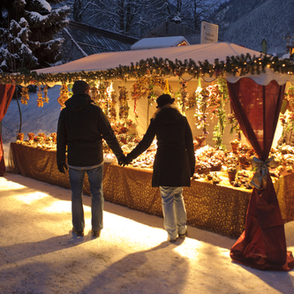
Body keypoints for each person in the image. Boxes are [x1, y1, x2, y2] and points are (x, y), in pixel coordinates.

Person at [57, 80, 125, 238]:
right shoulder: (95, 111)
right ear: (87, 92)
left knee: (76, 194)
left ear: (73, 92)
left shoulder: (65, 113)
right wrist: (120, 155)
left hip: (75, 160)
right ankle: (96, 228)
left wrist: (60, 159)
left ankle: (78, 228)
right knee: (97, 193)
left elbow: (61, 138)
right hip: (94, 158)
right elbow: (109, 134)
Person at [123, 94, 195, 242]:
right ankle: (182, 230)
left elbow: (145, 143)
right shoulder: (182, 120)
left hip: (164, 161)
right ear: (172, 104)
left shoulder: (157, 120)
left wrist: (129, 157)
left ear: (159, 107)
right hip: (180, 162)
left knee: (167, 199)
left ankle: (171, 234)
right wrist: (191, 167)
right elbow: (189, 145)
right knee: (178, 196)